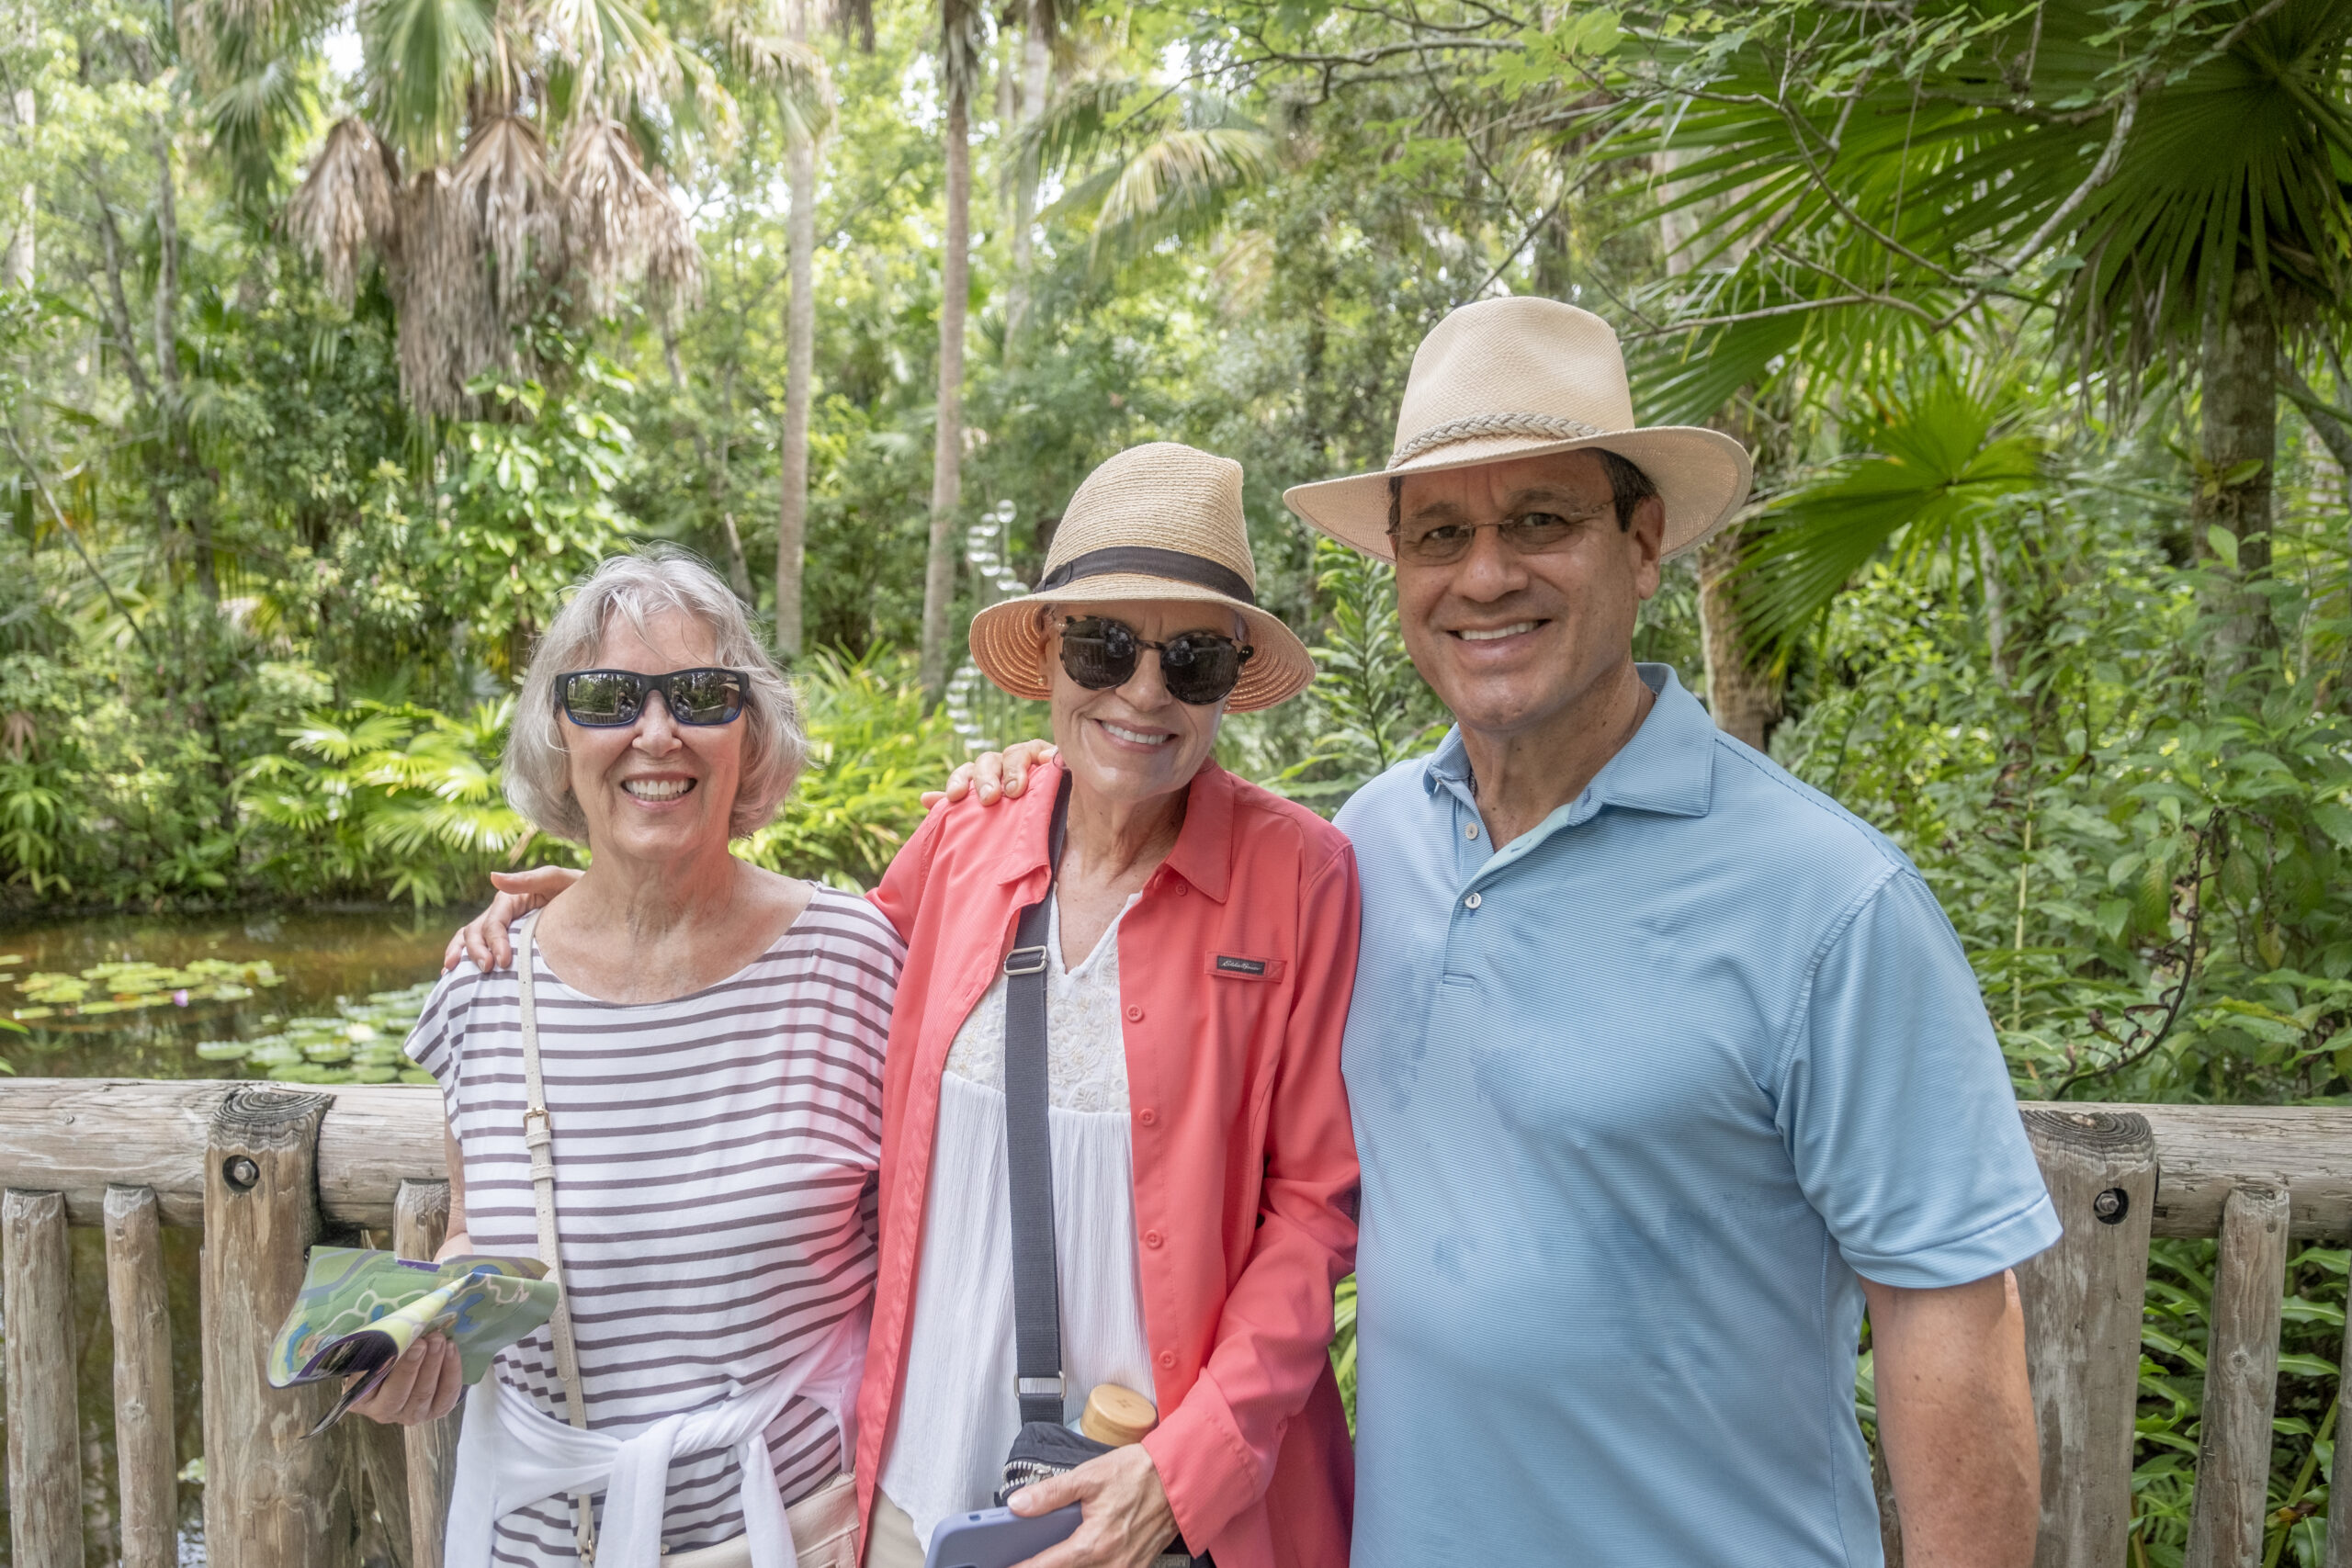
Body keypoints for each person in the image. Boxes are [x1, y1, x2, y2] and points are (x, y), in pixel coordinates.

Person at [943, 299, 2056, 1568]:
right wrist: (1038, 777)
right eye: (1442, 533)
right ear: (1401, 568)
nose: (1485, 574)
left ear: (1641, 544)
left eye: (1541, 520)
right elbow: (1149, 848)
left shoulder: (1829, 900)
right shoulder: (1359, 850)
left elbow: (1955, 1310)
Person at [451, 443, 1363, 1568]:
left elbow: (1315, 1213)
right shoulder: (969, 835)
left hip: (1151, 1500)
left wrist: (1182, 1475)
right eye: (1101, 646)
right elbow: (789, 950)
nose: (1139, 691)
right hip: (915, 1486)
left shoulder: (1301, 878)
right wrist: (601, 899)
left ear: (1229, 677)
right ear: (1047, 663)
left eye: (1189, 661)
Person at [370, 547, 899, 1568]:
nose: (655, 732)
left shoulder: (853, 960)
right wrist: (421, 1342)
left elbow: (923, 1255)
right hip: (536, 1538)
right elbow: (474, 1235)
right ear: (559, 733)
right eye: (608, 696)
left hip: (786, 1535)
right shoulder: (485, 986)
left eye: (700, 694)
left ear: (750, 731)